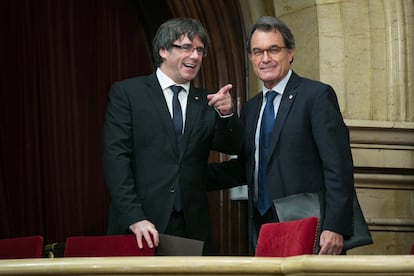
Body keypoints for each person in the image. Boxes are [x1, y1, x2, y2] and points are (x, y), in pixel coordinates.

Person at [209, 16, 355, 255]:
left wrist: (335, 225)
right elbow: (247, 167)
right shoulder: (251, 108)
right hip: (262, 226)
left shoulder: (316, 96)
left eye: (273, 50)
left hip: (310, 226)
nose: (265, 58)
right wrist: (186, 175)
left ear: (291, 52)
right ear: (251, 58)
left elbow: (338, 166)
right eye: (257, 52)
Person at [103, 17, 243, 254]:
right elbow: (116, 159)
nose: (195, 56)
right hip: (141, 225)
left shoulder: (207, 101)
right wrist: (134, 217)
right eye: (186, 47)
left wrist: (227, 115)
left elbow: (232, 146)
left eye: (200, 50)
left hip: (191, 227)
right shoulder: (128, 94)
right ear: (163, 51)